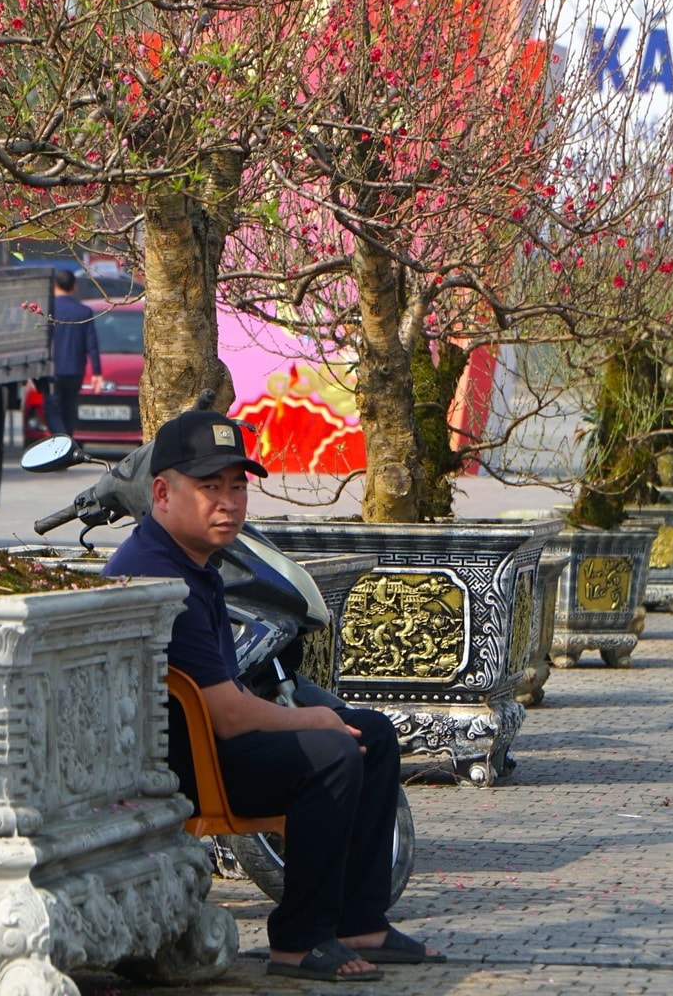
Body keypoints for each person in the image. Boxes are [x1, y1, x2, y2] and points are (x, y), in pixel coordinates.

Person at [104, 410, 444, 983]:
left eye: (238, 487)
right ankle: (299, 940)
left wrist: (324, 718)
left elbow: (229, 697)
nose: (229, 502)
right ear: (162, 492)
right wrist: (314, 718)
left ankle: (361, 922)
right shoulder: (159, 576)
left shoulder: (189, 561)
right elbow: (229, 714)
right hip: (182, 767)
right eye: (210, 487)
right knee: (334, 753)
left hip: (208, 744)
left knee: (374, 734)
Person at [44, 268, 101, 436]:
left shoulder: (48, 312)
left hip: (52, 371)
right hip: (75, 370)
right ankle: (67, 442)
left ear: (54, 286)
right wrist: (97, 372)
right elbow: (92, 344)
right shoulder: (83, 312)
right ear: (74, 287)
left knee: (52, 410)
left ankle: (63, 441)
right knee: (69, 409)